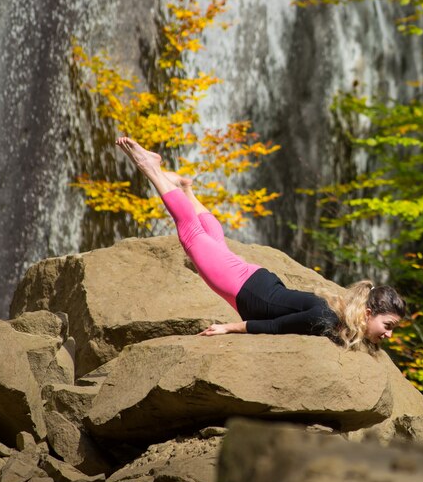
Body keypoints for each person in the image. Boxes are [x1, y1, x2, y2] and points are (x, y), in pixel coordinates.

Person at [115, 137, 406, 350]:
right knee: (192, 236)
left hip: (257, 285)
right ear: (368, 313)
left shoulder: (338, 318)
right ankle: (150, 167)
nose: (389, 335)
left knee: (214, 243)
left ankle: (185, 189)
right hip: (246, 290)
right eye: (388, 326)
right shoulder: (326, 318)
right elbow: (276, 327)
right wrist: (228, 328)